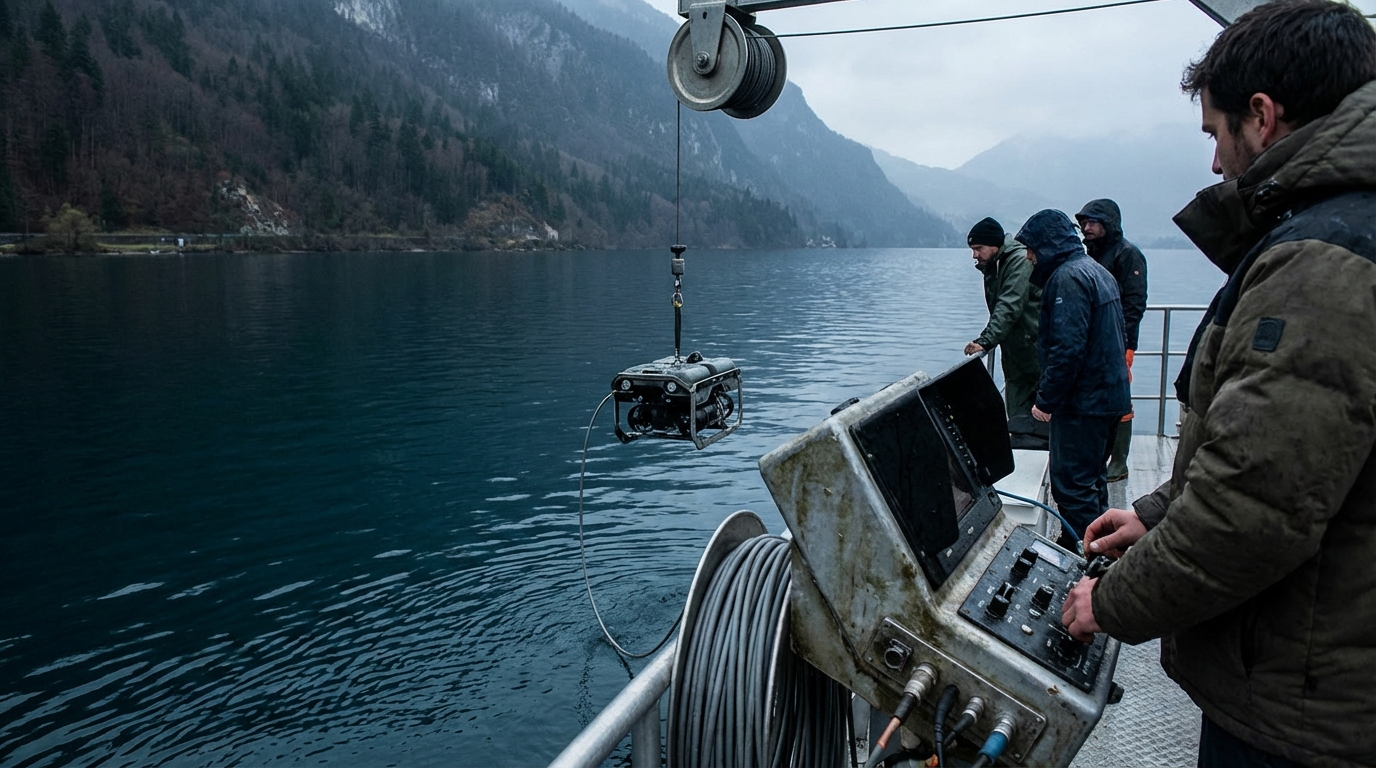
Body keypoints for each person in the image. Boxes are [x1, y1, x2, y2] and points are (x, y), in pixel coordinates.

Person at [1060, 2, 1376, 765]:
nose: (1213, 164)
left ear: (1262, 117)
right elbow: (1288, 453)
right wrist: (1160, 513)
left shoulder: (1321, 260)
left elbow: (1253, 512)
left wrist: (1109, 602)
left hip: (1303, 705)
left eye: (1215, 133)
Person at [1014, 209, 1130, 538]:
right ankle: (1099, 547)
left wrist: (1046, 401)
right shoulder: (1095, 271)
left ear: (1047, 246)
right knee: (1093, 480)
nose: (1029, 256)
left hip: (1084, 403)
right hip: (1109, 397)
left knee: (1071, 486)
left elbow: (1068, 348)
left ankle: (1084, 557)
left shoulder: (1067, 279)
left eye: (1031, 248)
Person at [1075, 199, 1147, 481]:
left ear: (1109, 224)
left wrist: (1122, 341)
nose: (1087, 227)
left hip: (1119, 341)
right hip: (1093, 338)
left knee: (1119, 397)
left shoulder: (1128, 255)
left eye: (1093, 222)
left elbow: (1134, 303)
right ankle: (1099, 455)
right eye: (1084, 222)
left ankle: (1119, 462)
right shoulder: (1091, 254)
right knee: (1094, 394)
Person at [962, 217, 1042, 419]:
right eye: (972, 249)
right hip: (1016, 351)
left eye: (978, 248)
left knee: (1045, 413)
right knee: (1017, 416)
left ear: (995, 245)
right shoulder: (995, 265)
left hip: (1036, 349)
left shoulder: (1018, 260)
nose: (974, 255)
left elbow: (1009, 304)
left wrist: (986, 340)